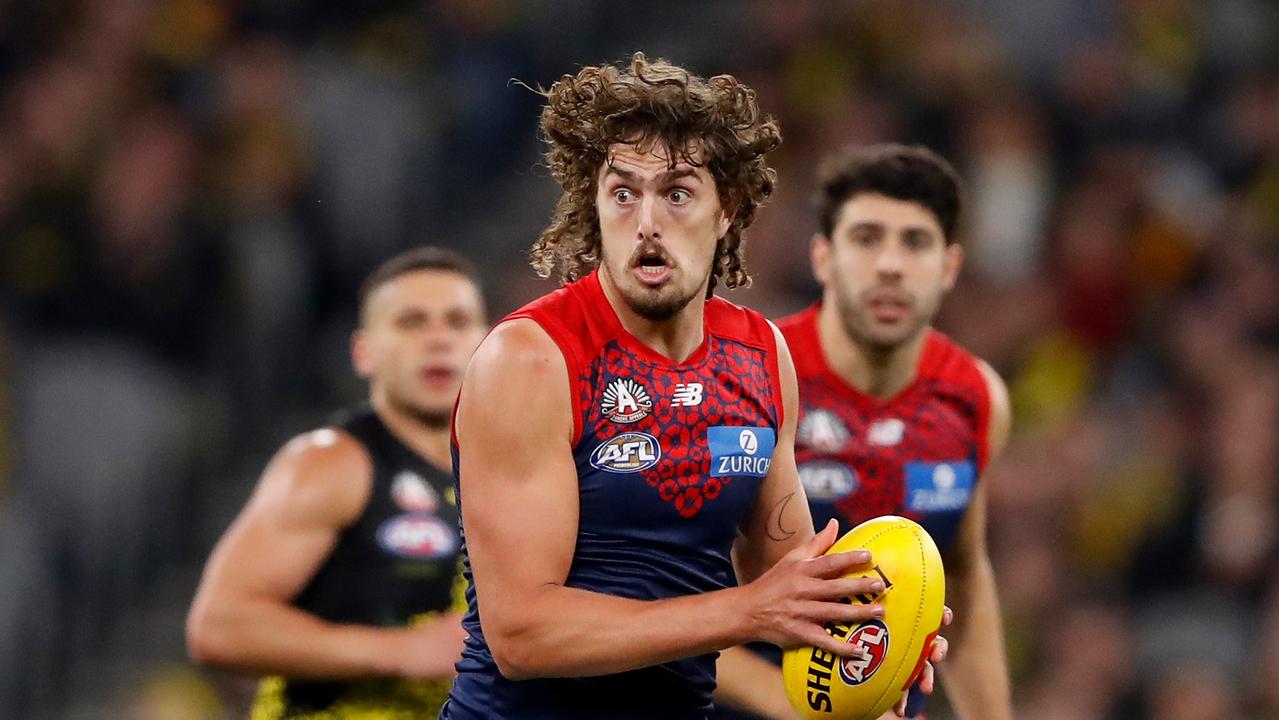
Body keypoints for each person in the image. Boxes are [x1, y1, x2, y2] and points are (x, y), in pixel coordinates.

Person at [443, 54, 947, 720]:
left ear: (725, 210)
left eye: (677, 192)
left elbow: (788, 579)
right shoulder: (531, 360)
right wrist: (747, 612)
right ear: (595, 204)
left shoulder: (759, 355)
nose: (646, 221)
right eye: (623, 192)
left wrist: (870, 641)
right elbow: (522, 634)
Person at [714, 144, 1013, 720]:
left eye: (916, 242)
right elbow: (671, 595)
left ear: (950, 267)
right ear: (823, 258)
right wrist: (814, 712)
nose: (891, 265)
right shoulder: (745, 378)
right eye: (867, 238)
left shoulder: (977, 397)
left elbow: (964, 577)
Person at [186, 247, 486, 718]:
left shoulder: (500, 472)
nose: (439, 340)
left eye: (457, 321)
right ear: (363, 352)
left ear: (488, 342)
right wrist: (400, 650)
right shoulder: (330, 463)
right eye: (412, 322)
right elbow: (219, 627)